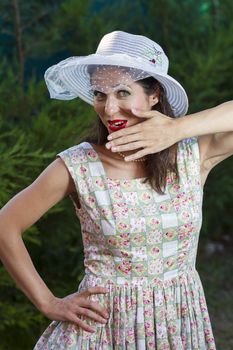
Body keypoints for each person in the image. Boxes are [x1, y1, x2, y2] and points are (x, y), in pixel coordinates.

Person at [0, 30, 232, 350]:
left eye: (123, 92)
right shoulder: (78, 166)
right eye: (100, 94)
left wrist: (178, 128)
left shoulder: (193, 156)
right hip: (105, 330)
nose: (109, 109)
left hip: (178, 324)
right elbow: (4, 225)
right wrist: (47, 302)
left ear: (154, 96)